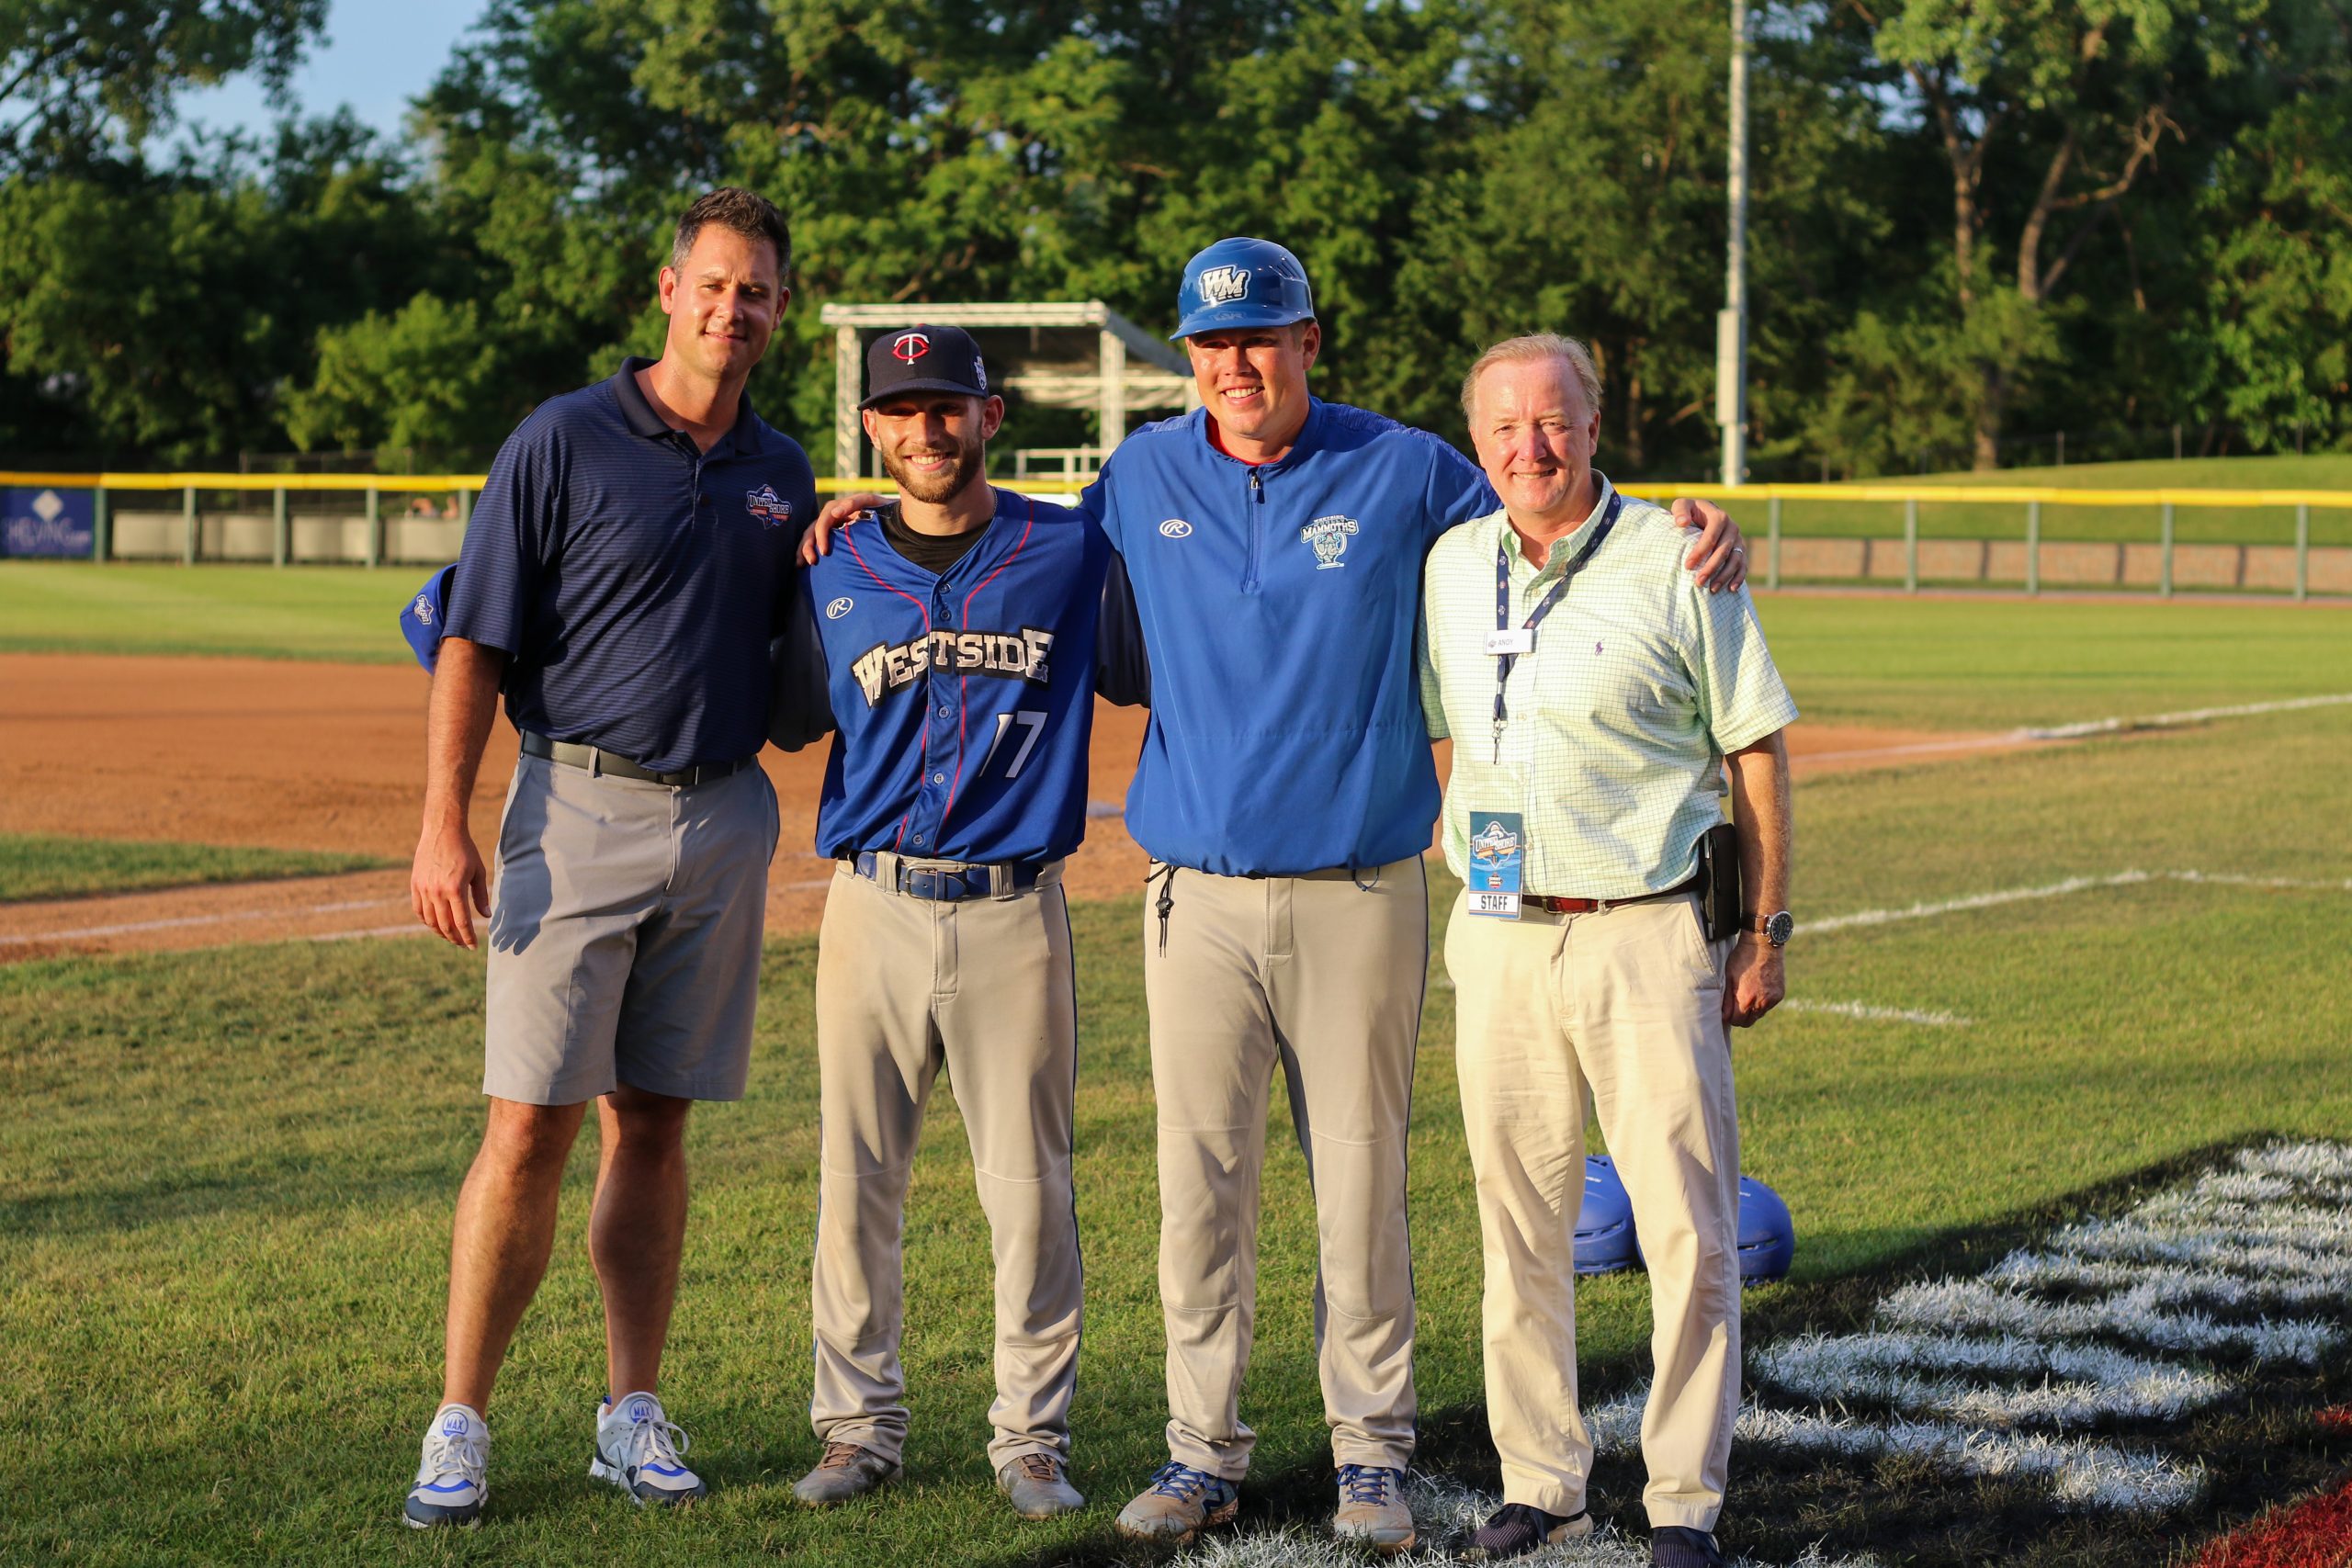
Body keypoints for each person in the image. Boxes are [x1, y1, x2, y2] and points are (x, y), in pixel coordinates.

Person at [803, 238, 1748, 1553]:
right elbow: (1006, 551)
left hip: (1362, 888)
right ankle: (1203, 1451)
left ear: (1310, 342)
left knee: (1359, 1184)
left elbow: (1551, 494)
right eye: (1210, 344)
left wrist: (1680, 522)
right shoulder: (1140, 474)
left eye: (1261, 338)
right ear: (1188, 357)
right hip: (1195, 893)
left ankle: (1371, 1455)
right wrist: (866, 514)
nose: (1235, 364)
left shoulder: (1406, 467)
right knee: (1200, 1190)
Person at [400, 186, 815, 1529]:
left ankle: (630, 1410)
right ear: (667, 289)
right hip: (574, 808)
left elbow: (792, 662)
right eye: (714, 283)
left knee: (658, 1120)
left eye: (756, 290)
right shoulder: (565, 437)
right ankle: (460, 1417)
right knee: (527, 1123)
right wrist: (442, 820)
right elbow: (473, 640)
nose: (731, 308)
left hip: (723, 816)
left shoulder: (781, 469)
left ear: (780, 310)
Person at [1418, 333, 1794, 1568]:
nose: (1531, 447)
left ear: (1596, 424)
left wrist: (1765, 928)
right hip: (1503, 938)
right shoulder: (1450, 563)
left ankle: (1683, 1500)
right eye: (1505, 426)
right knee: (1517, 1222)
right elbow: (1445, 735)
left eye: (1554, 421)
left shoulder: (1681, 557)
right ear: (1478, 441)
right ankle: (1544, 1481)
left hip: (1644, 931)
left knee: (1686, 1227)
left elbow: (1754, 752)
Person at [765, 324, 1137, 1520]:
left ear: (990, 415)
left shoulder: (1068, 546)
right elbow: (774, 707)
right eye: (901, 409)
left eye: (947, 407)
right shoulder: (829, 562)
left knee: (1028, 1187)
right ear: (872, 428)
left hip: (1013, 907)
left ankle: (1030, 1438)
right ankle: (856, 1430)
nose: (926, 429)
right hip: (869, 903)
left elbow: (1162, 641)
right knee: (856, 1180)